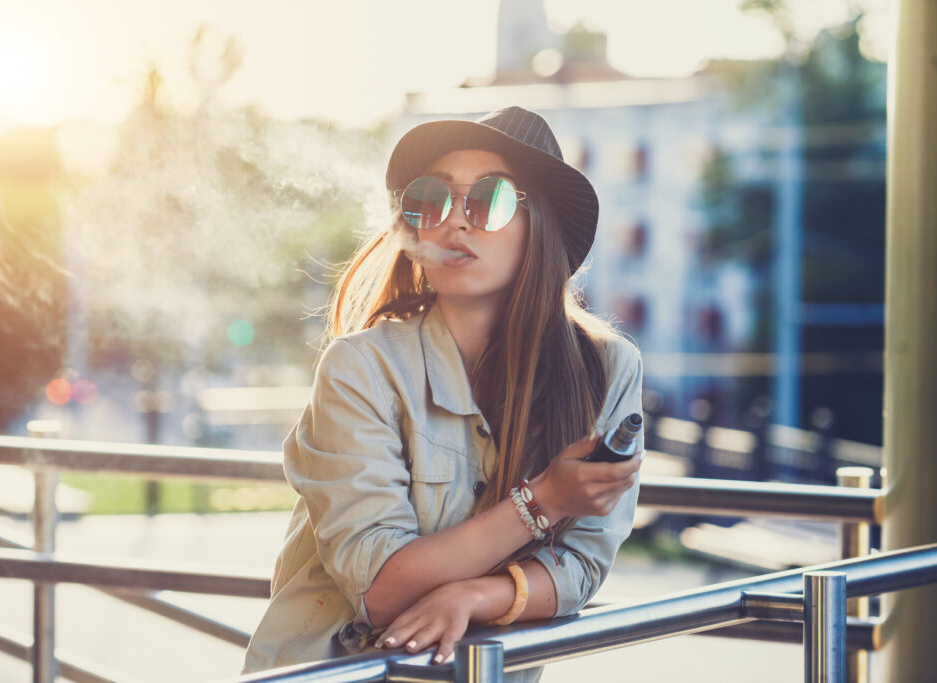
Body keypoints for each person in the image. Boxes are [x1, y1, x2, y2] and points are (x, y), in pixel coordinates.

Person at [242, 106, 644, 681]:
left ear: (541, 223)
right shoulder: (359, 367)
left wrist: (476, 598)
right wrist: (544, 502)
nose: (455, 221)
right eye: (431, 199)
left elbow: (583, 564)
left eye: (490, 198)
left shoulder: (607, 368)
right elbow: (381, 588)